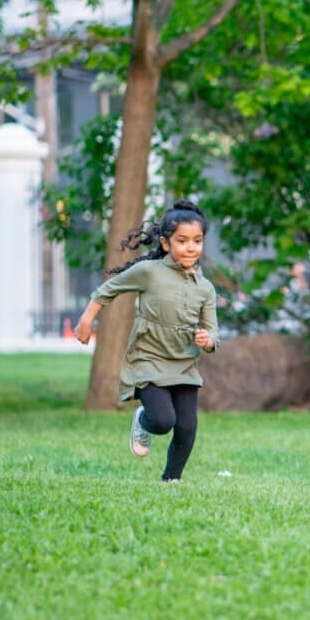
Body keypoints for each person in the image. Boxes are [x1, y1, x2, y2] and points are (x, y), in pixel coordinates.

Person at [74, 200, 220, 483]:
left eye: (197, 241)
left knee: (187, 426)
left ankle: (171, 480)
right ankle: (143, 419)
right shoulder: (150, 272)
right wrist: (85, 321)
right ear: (166, 244)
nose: (191, 247)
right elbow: (108, 290)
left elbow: (214, 332)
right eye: (182, 241)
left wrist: (207, 340)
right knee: (164, 421)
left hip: (185, 363)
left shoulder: (205, 288)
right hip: (148, 358)